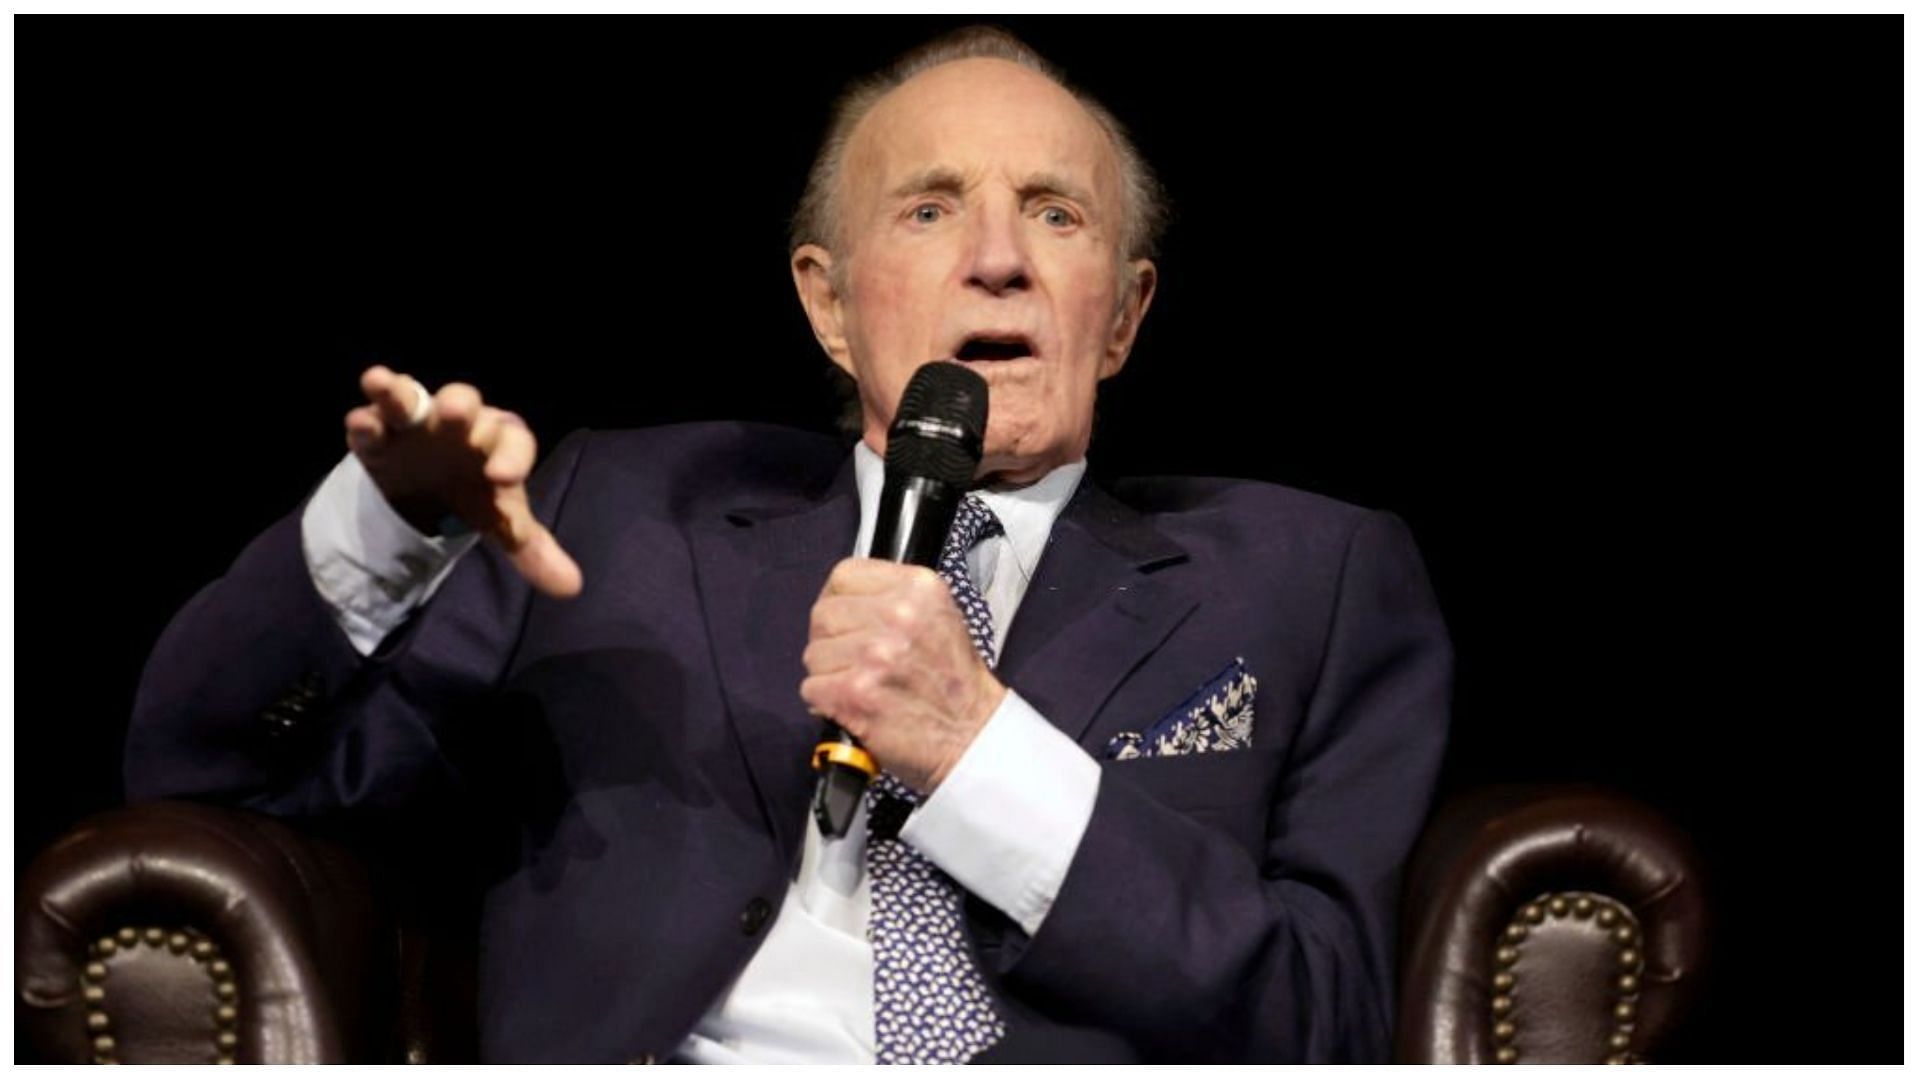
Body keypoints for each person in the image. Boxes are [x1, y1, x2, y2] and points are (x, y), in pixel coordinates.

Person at [125, 27, 1452, 1064]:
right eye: (930, 209)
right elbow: (208, 769)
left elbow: (1329, 1019)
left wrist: (984, 754)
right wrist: (385, 524)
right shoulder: (626, 519)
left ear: (1122, 316)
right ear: (826, 302)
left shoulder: (1311, 577)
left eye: (1056, 213)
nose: (998, 258)